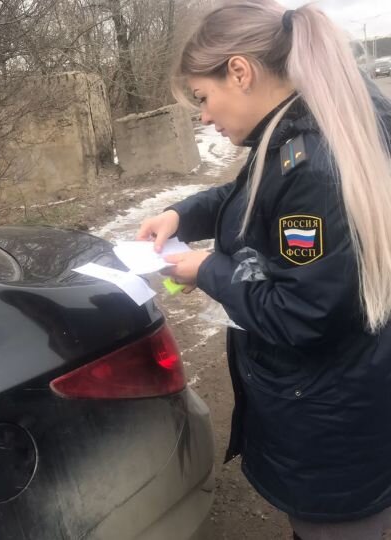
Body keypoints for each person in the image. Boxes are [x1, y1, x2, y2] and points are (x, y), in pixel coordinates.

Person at [136, 2, 391, 539]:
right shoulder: (295, 128)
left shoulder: (314, 165)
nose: (204, 117)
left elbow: (301, 313)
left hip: (336, 428)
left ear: (240, 71)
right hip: (338, 399)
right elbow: (248, 196)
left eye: (202, 98)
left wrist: (209, 269)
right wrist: (181, 214)